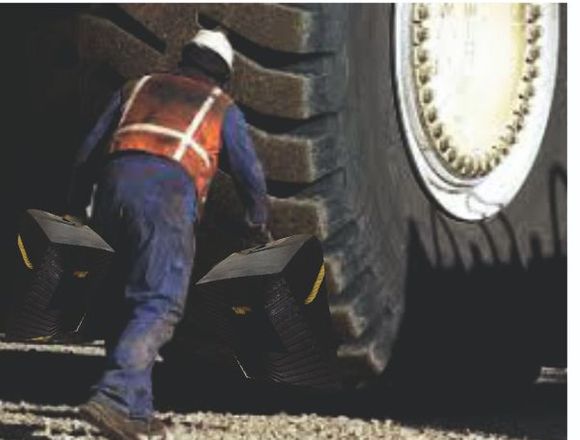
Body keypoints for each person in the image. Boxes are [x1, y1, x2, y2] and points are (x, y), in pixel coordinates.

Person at [67, 30, 270, 439]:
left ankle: (135, 414)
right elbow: (249, 173)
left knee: (125, 300)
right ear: (224, 74)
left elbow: (89, 149)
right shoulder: (219, 105)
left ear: (186, 57)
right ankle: (112, 396)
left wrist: (76, 203)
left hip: (112, 189)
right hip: (166, 195)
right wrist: (258, 220)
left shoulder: (137, 86)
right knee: (159, 302)